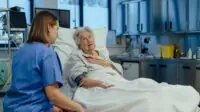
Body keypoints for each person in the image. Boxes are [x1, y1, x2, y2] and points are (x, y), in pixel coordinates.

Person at [62, 27, 200, 112]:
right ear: (78, 43)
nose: (88, 40)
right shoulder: (77, 56)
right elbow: (79, 80)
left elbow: (119, 71)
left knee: (149, 84)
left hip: (120, 82)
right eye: (83, 38)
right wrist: (100, 83)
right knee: (147, 98)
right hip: (99, 87)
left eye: (90, 36)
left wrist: (106, 64)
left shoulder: (102, 55)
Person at [3, 11, 85, 112]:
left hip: (11, 107)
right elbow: (53, 94)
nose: (57, 33)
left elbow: (27, 89)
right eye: (57, 29)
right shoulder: (47, 54)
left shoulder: (19, 52)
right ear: (49, 28)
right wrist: (79, 108)